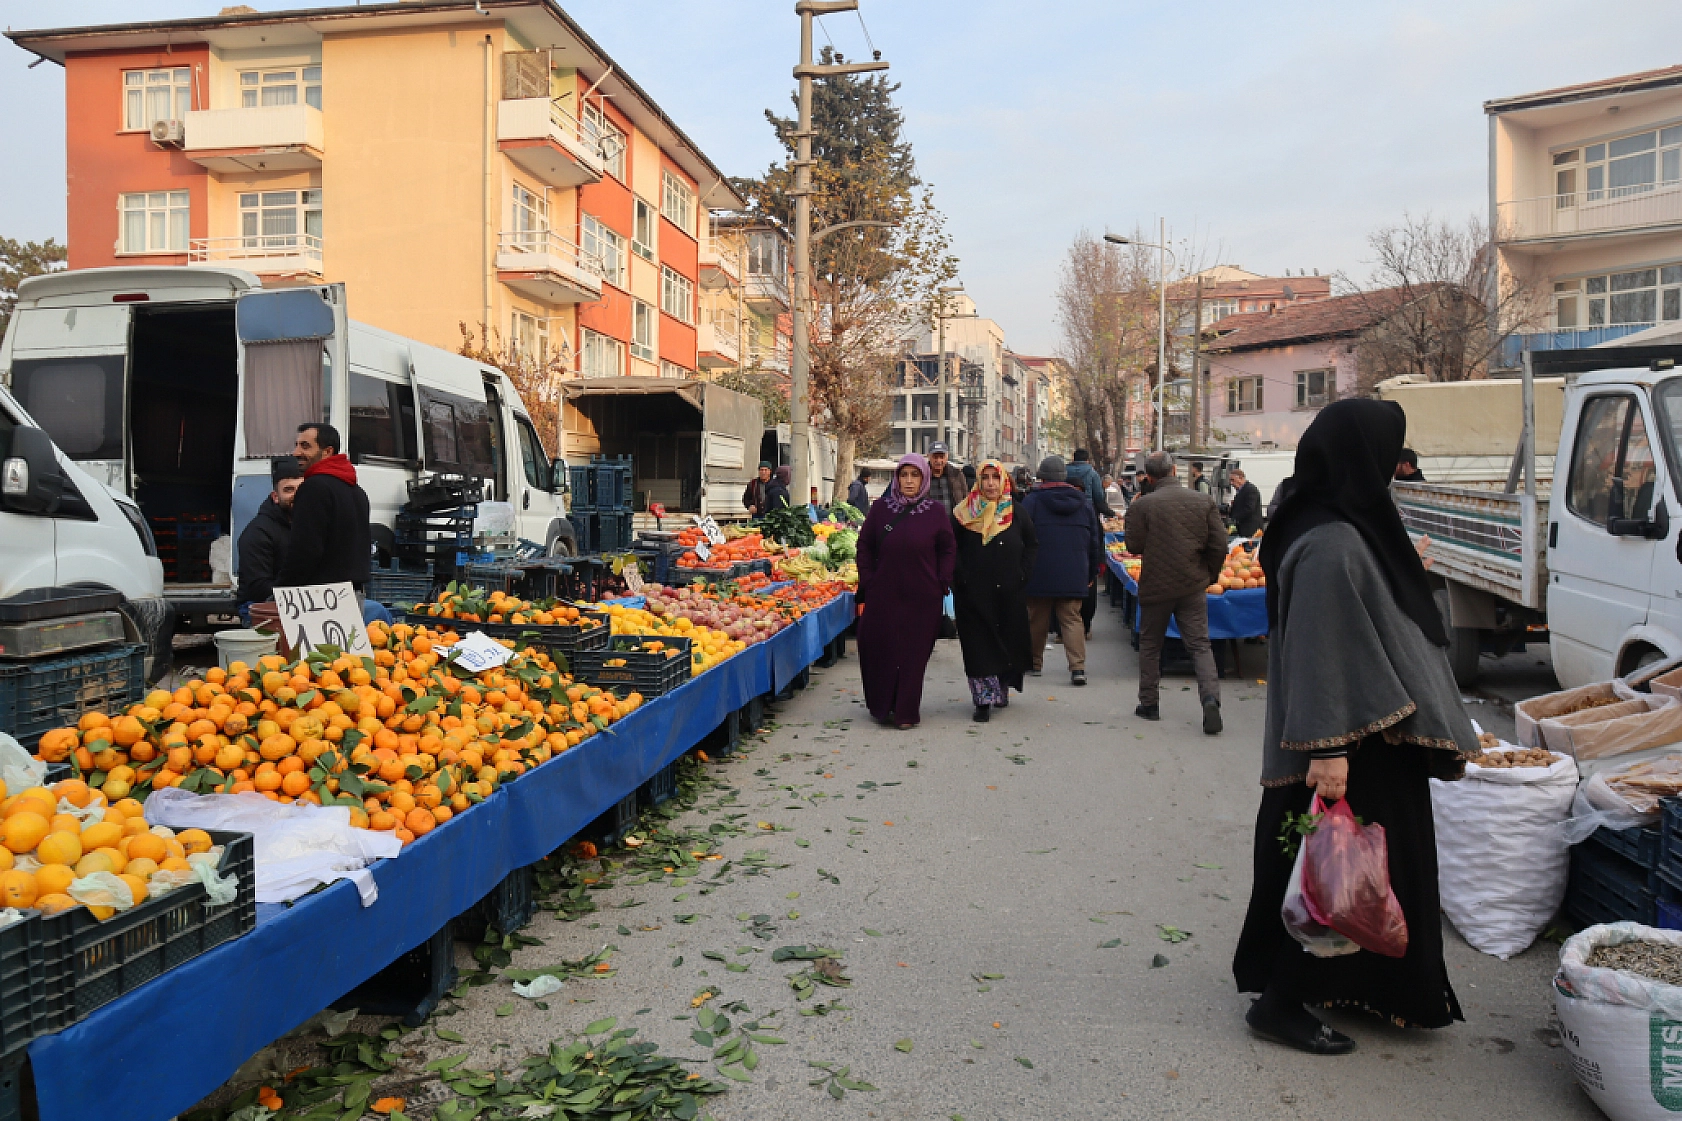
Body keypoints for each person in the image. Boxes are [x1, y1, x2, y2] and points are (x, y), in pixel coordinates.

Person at [1233, 398, 1479, 1054]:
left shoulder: (1339, 521)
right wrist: (1331, 746)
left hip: (1374, 733)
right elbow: (1319, 641)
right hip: (1349, 742)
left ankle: (1368, 986)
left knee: (1357, 875)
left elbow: (1371, 610)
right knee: (1330, 873)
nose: (1394, 468)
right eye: (1387, 454)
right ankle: (1280, 1001)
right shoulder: (1330, 537)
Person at [1126, 451, 1227, 733]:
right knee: (1199, 644)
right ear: (1174, 470)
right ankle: (1210, 699)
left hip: (1156, 585)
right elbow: (1219, 545)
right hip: (1192, 584)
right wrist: (1209, 575)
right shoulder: (1203, 501)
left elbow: (1133, 546)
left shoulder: (1142, 506)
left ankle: (1149, 704)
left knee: (1150, 644)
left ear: (1149, 476)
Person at [855, 454, 956, 729]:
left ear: (924, 478)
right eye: (904, 475)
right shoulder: (880, 509)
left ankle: (906, 712)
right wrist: (868, 580)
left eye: (915, 475)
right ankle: (883, 704)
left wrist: (942, 581)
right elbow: (864, 545)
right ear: (896, 478)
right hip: (883, 593)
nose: (909, 481)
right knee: (880, 648)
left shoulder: (935, 511)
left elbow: (948, 548)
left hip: (923, 596)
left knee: (913, 655)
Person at [951, 460, 1038, 722]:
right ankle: (982, 700)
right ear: (978, 482)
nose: (990, 483)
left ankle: (1000, 689)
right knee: (979, 645)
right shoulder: (962, 514)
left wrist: (1022, 574)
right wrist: (960, 578)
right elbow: (951, 549)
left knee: (1005, 642)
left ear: (1004, 481)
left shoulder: (1017, 513)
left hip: (1008, 593)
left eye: (995, 478)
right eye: (985, 478)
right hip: (973, 595)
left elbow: (1031, 546)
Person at [1020, 456, 1101, 685]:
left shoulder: (1032, 502)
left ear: (1042, 476)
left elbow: (1022, 539)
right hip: (1074, 572)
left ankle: (1034, 663)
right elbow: (1093, 541)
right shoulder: (1084, 504)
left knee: (1036, 618)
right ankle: (1078, 668)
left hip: (1039, 571)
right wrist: (1091, 572)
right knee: (1072, 619)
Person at [276, 423, 372, 595]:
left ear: (327, 451)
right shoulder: (357, 492)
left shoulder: (314, 487)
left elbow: (304, 550)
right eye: (296, 445)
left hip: (320, 600)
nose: (296, 453)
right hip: (353, 595)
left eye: (305, 446)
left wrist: (281, 590)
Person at [235, 456, 304, 616]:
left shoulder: (311, 525)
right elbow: (259, 588)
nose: (296, 495)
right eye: (288, 490)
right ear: (275, 497)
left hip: (305, 602)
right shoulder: (257, 532)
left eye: (301, 489)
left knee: (373, 609)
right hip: (260, 606)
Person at [1066, 449, 1115, 517]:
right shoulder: (1093, 473)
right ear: (1087, 460)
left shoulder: (1064, 472)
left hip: (1067, 509)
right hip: (1087, 510)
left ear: (1073, 459)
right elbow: (1099, 497)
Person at [1229, 468, 1264, 537]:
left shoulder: (1250, 490)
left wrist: (1235, 517)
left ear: (1241, 478)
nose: (1231, 483)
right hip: (1243, 528)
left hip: (1250, 529)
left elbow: (1249, 508)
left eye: (1233, 480)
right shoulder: (1242, 490)